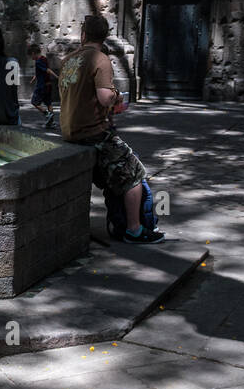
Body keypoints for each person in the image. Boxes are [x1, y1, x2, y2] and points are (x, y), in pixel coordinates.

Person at [57, 13, 165, 243]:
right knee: (134, 174)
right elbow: (105, 97)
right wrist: (116, 96)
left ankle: (121, 221)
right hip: (93, 133)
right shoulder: (100, 59)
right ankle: (134, 230)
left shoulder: (68, 60)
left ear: (83, 35)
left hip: (69, 132)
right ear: (104, 37)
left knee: (116, 176)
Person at [29, 43, 59, 129]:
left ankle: (47, 114)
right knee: (49, 103)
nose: (31, 58)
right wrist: (34, 78)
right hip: (48, 85)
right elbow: (39, 71)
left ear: (34, 53)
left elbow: (47, 70)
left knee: (34, 102)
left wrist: (57, 77)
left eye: (31, 55)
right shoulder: (44, 59)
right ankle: (51, 123)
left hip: (41, 86)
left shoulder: (38, 62)